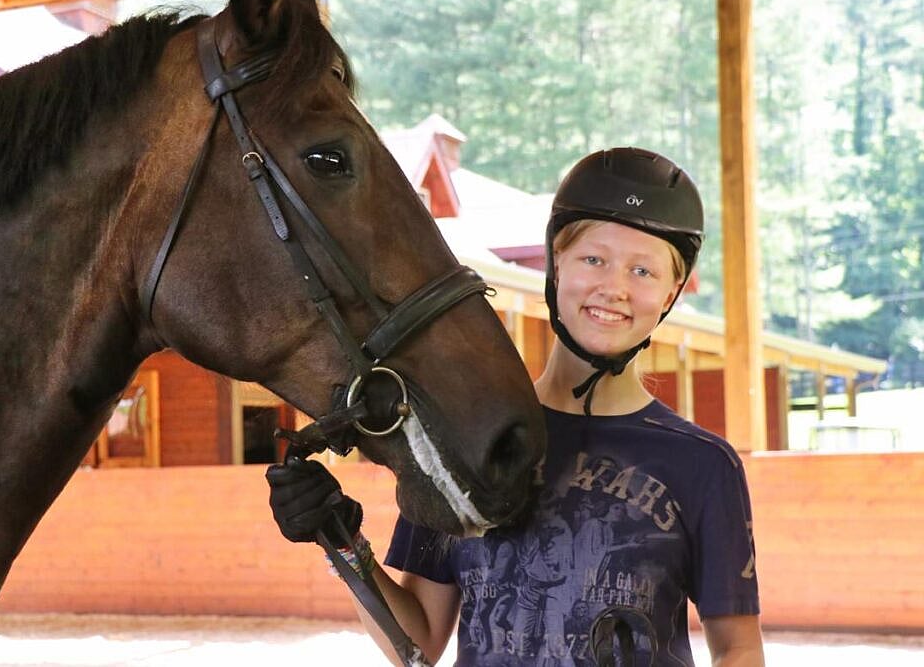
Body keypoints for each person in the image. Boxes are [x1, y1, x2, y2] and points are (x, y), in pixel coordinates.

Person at [266, 147, 765, 666]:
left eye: (643, 271)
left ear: (671, 294)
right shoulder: (465, 436)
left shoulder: (705, 465)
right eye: (593, 259)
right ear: (555, 265)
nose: (614, 288)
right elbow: (416, 642)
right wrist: (342, 541)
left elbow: (739, 650)